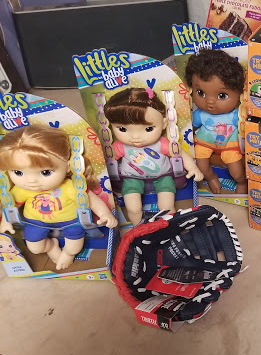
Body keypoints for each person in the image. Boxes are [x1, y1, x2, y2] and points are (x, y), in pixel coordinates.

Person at [0, 125, 118, 270]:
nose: (31, 181)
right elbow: (11, 206)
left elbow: (92, 201)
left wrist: (105, 214)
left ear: (68, 166)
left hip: (70, 221)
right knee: (35, 248)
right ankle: (51, 246)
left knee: (74, 246)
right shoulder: (21, 190)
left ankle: (68, 254)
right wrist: (6, 221)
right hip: (36, 221)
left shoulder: (70, 187)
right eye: (18, 172)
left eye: (45, 172)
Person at [104, 87, 203, 225]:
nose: (135, 137)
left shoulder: (162, 143)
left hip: (163, 177)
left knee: (167, 206)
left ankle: (170, 226)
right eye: (122, 129)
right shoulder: (120, 146)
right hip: (132, 178)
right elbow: (105, 163)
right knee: (133, 208)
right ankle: (139, 229)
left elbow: (180, 154)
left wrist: (193, 168)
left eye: (148, 129)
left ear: (163, 124)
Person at [185, 49, 247, 194]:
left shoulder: (235, 115)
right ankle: (212, 178)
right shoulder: (200, 115)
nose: (210, 102)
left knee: (237, 171)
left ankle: (242, 182)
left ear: (239, 93)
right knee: (201, 166)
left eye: (222, 95)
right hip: (204, 143)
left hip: (229, 145)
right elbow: (190, 128)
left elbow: (245, 130)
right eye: (200, 93)